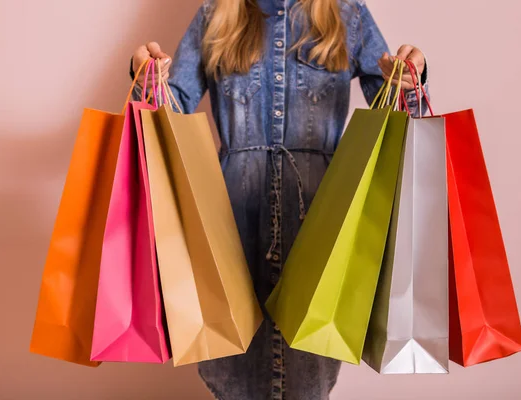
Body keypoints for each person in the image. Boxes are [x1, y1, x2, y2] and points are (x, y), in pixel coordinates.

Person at [131, 0, 428, 399]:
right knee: (230, 375)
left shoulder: (347, 15)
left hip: (322, 223)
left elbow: (395, 110)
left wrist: (412, 76)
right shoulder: (215, 14)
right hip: (229, 222)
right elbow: (169, 109)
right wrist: (146, 75)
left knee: (310, 376)